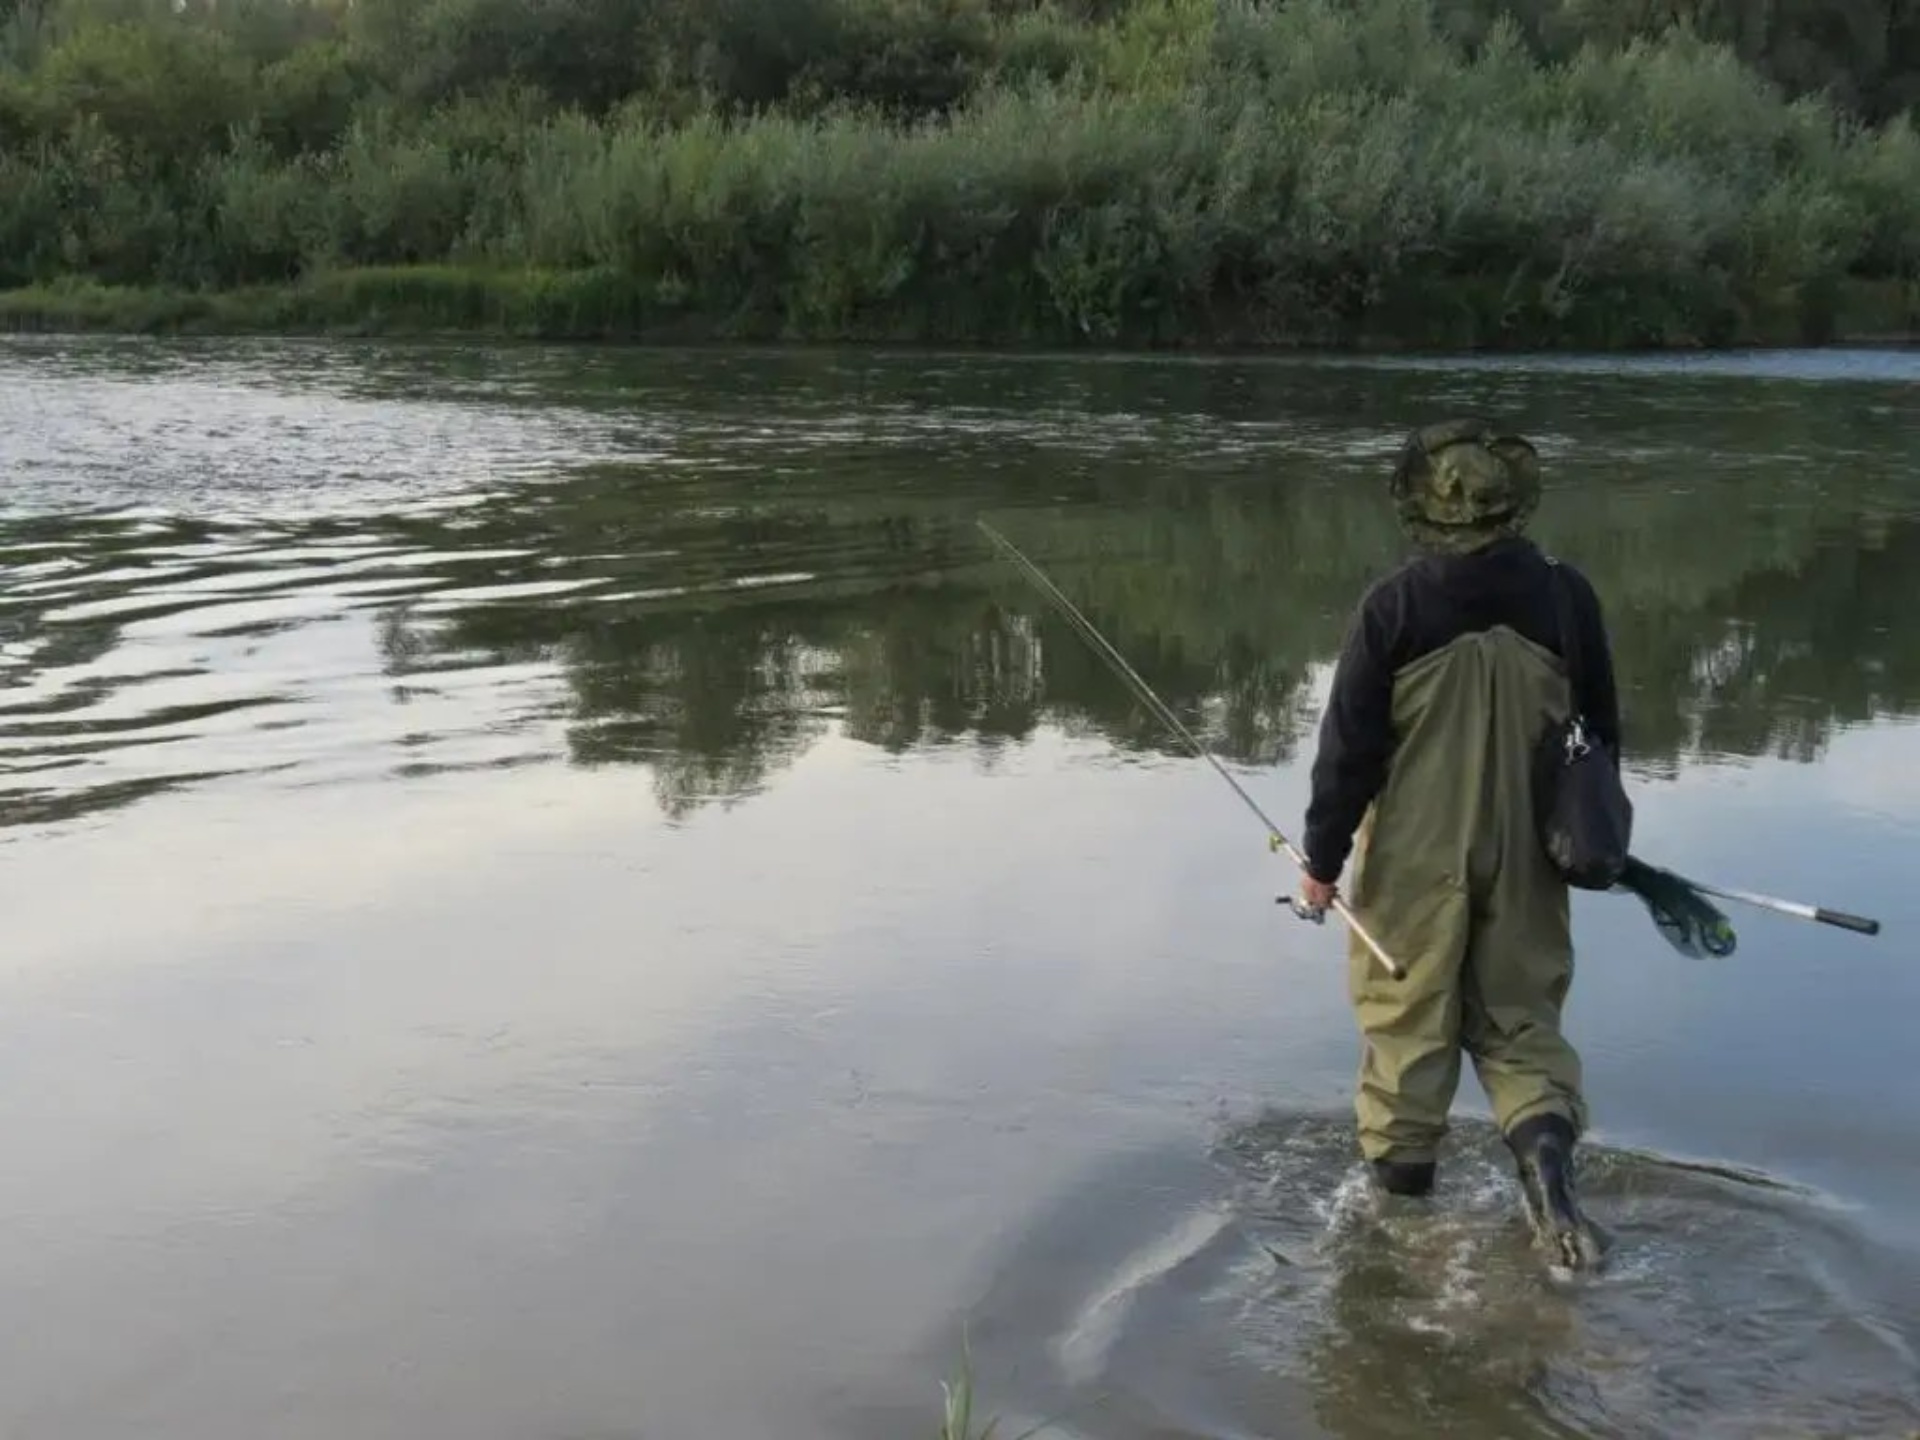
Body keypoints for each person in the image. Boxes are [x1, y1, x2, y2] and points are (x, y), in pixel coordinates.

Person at [1296, 417, 1621, 1271]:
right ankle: (1551, 1194)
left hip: (1413, 855)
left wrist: (1320, 866)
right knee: (1521, 1025)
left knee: (1407, 1031)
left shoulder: (1393, 607)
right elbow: (1605, 737)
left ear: (1426, 510)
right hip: (1531, 852)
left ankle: (1394, 1247)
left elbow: (1348, 757)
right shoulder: (1565, 595)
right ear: (1512, 505)